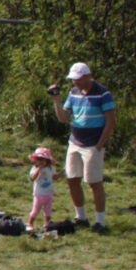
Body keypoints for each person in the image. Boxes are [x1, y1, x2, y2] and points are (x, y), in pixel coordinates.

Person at [46, 62, 115, 231]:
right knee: (72, 179)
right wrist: (56, 99)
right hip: (75, 143)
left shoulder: (102, 93)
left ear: (87, 76)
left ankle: (100, 222)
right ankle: (81, 217)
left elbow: (111, 121)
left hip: (93, 145)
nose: (74, 82)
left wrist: (99, 145)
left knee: (94, 182)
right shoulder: (73, 92)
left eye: (77, 79)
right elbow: (64, 117)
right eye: (73, 79)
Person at [26, 147, 57, 236]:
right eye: (38, 159)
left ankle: (47, 224)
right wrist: (39, 169)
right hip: (38, 194)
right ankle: (30, 223)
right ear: (35, 160)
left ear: (47, 160)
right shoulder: (34, 169)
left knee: (48, 211)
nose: (41, 162)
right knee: (35, 210)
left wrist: (62, 173)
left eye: (43, 159)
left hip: (49, 193)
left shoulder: (51, 168)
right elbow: (33, 178)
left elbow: (54, 177)